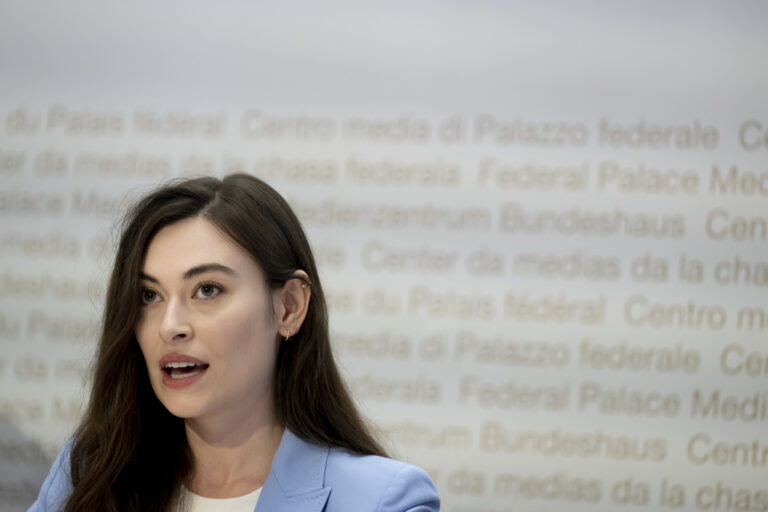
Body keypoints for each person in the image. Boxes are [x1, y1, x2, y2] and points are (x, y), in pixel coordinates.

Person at [29, 174, 440, 512]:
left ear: (289, 307)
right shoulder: (85, 477)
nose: (170, 326)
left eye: (207, 290)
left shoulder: (382, 500)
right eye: (149, 296)